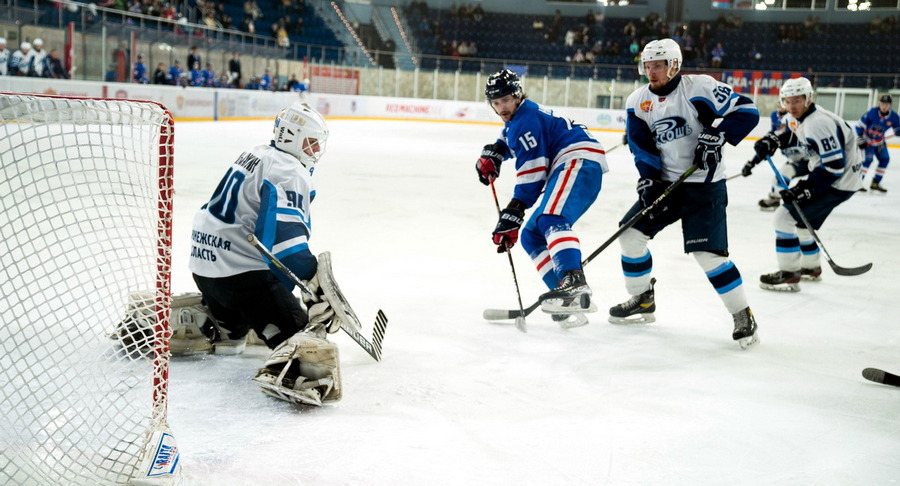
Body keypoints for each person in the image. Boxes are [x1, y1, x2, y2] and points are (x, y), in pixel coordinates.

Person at [187, 102, 347, 407]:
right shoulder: (289, 170)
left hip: (204, 269)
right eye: (310, 142)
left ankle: (223, 324)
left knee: (241, 314)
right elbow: (285, 245)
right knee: (307, 344)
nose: (314, 151)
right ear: (293, 138)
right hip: (240, 278)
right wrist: (317, 286)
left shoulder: (256, 152)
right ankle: (286, 364)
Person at [612, 38, 761, 349]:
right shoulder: (638, 101)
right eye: (647, 65)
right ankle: (642, 299)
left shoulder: (699, 88)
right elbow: (642, 147)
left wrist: (718, 134)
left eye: (658, 65)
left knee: (707, 255)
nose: (651, 71)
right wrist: (650, 180)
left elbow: (747, 110)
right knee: (630, 236)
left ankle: (742, 313)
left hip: (704, 185)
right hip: (666, 185)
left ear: (674, 65)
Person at [475, 69, 608, 328]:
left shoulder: (525, 121)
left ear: (517, 95)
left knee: (552, 218)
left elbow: (533, 175)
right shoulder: (521, 117)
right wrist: (498, 151)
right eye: (496, 102)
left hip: (577, 162)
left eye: (506, 100)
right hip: (574, 165)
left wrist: (515, 210)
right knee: (531, 235)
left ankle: (574, 282)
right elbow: (509, 137)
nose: (502, 107)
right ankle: (565, 298)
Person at [757, 77, 863, 291]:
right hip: (843, 179)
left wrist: (804, 189)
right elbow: (794, 134)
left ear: (808, 99)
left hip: (838, 181)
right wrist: (774, 140)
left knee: (783, 217)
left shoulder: (818, 123)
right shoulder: (804, 117)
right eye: (787, 101)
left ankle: (789, 274)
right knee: (804, 223)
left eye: (797, 101)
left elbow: (834, 166)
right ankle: (811, 268)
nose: (792, 106)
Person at [741, 104, 810, 211]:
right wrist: (751, 163)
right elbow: (764, 152)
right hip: (796, 160)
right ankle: (775, 199)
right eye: (779, 125)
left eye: (782, 125)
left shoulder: (799, 134)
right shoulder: (778, 137)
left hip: (812, 162)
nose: (780, 128)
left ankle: (787, 200)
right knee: (778, 178)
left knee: (785, 172)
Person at [856, 94, 899, 193]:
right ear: (879, 104)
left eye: (887, 104)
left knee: (885, 159)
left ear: (890, 106)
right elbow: (859, 125)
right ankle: (857, 183)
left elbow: (897, 127)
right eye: (882, 103)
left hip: (879, 142)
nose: (884, 106)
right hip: (868, 141)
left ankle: (875, 183)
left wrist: (898, 131)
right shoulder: (872, 113)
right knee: (867, 160)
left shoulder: (894, 116)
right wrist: (860, 138)